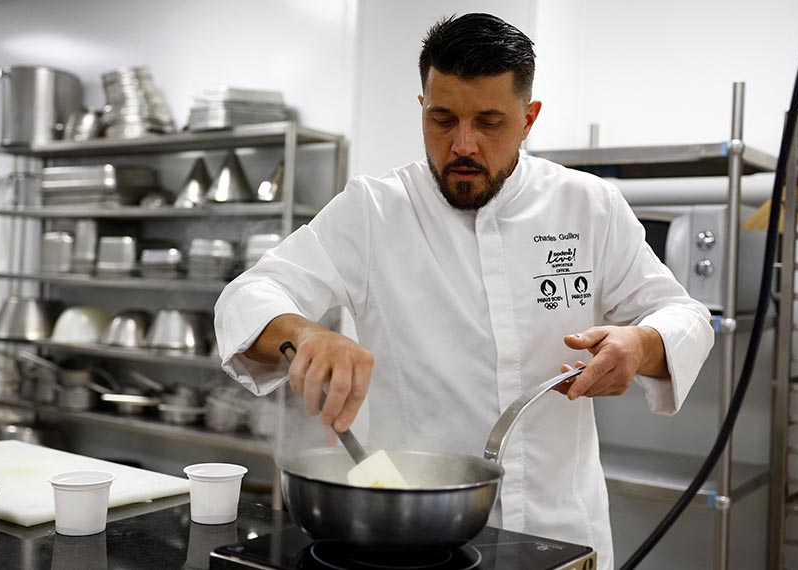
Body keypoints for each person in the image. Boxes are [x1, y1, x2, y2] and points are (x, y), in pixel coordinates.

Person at [215, 12, 714, 570]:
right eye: (443, 119)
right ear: (422, 107)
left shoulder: (589, 207)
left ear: (529, 119)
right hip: (414, 537)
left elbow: (681, 312)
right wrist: (304, 333)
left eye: (490, 122)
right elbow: (252, 292)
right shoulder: (374, 210)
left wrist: (640, 345)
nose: (463, 145)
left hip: (563, 530)